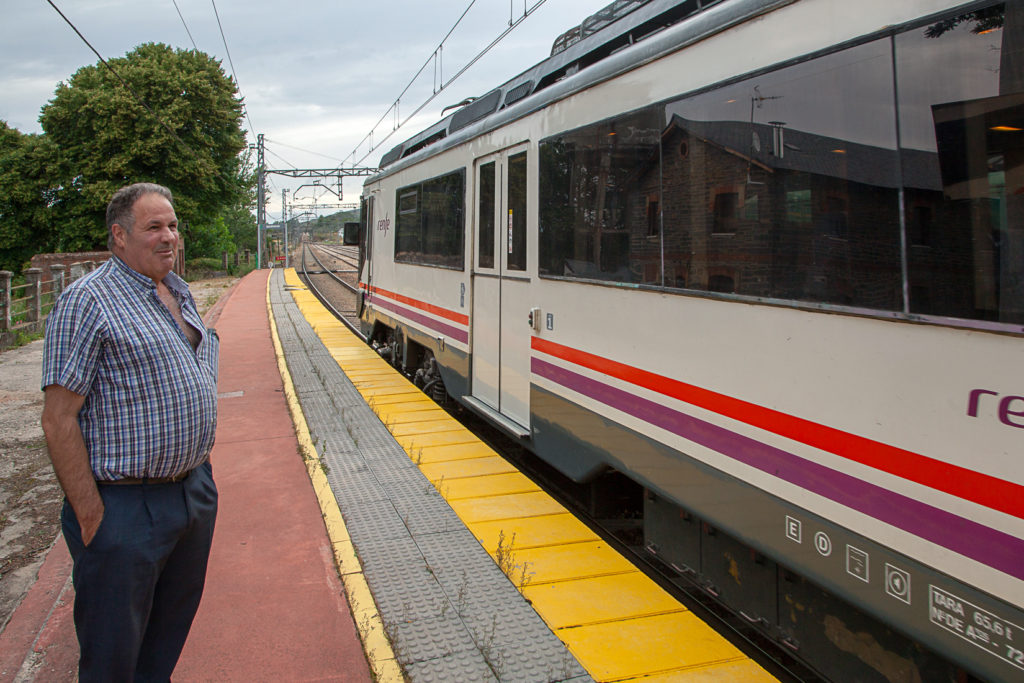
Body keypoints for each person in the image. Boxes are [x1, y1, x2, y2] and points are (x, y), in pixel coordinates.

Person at [40, 182, 220, 682]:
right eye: (154, 227)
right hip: (123, 507)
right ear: (119, 236)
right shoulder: (88, 302)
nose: (170, 238)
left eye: (173, 225)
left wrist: (199, 480)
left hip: (191, 494)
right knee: (113, 654)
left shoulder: (177, 291)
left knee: (165, 639)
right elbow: (58, 418)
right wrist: (91, 514)